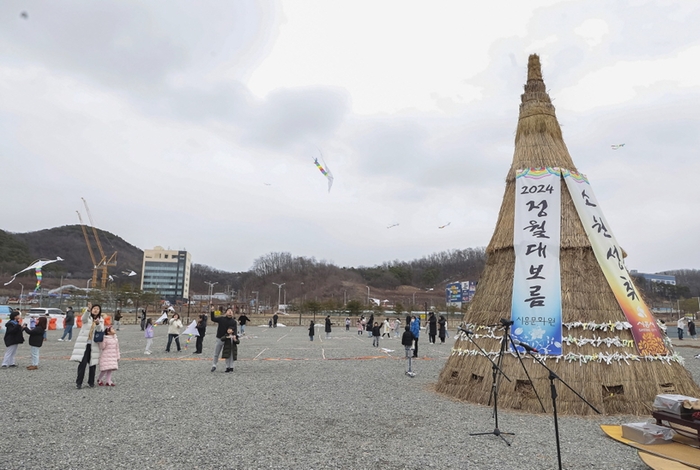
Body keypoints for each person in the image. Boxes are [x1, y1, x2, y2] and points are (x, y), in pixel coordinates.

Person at [70, 304, 105, 389]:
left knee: (92, 364)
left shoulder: (101, 320)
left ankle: (91, 382)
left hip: (94, 345)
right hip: (84, 344)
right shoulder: (88, 317)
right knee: (82, 364)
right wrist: (87, 310)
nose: (96, 310)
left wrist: (98, 324)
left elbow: (101, 330)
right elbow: (83, 319)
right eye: (94, 308)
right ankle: (79, 382)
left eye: (97, 309)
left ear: (100, 311)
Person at [210, 307, 237, 372]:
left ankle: (229, 367)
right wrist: (212, 311)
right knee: (216, 352)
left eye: (231, 311)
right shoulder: (221, 319)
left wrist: (235, 336)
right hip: (220, 338)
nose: (230, 312)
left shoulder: (233, 322)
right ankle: (214, 365)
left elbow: (235, 330)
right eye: (228, 311)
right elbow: (213, 319)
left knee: (228, 353)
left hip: (228, 339)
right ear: (226, 312)